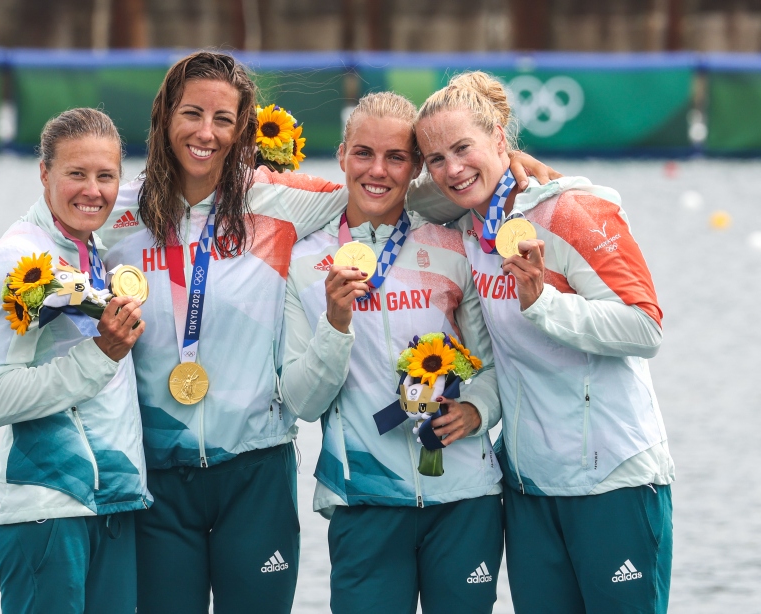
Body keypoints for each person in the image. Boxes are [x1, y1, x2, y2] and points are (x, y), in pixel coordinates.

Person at [100, 50, 557, 614]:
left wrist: (504, 165)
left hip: (265, 469)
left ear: (242, 130)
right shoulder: (116, 210)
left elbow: (401, 195)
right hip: (163, 467)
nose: (206, 132)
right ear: (164, 115)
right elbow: (55, 228)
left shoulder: (283, 205)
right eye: (192, 113)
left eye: (223, 119)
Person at [414, 72, 674, 614]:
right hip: (530, 488)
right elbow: (398, 196)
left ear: (499, 137)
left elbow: (645, 327)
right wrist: (477, 409)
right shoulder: (467, 226)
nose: (452, 169)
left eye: (463, 148)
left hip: (613, 480)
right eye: (435, 159)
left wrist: (542, 304)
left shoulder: (570, 210)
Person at [280, 92, 503, 614]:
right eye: (363, 153)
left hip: (464, 498)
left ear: (416, 167)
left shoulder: (452, 248)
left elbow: (493, 366)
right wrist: (336, 323)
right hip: (365, 501)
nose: (377, 170)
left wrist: (477, 410)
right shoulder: (303, 262)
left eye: (396, 157)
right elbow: (302, 403)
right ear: (342, 156)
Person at [0, 108, 149, 613]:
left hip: (110, 504)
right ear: (44, 173)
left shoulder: (93, 251)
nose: (93, 190)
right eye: (76, 173)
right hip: (46, 510)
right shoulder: (16, 264)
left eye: (106, 176)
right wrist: (101, 354)